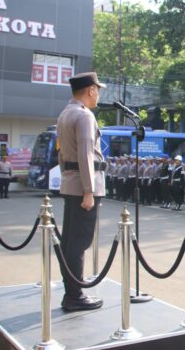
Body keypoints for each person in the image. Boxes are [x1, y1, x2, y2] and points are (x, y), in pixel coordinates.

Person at [56, 72, 106, 311]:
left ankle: (72, 289)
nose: (98, 94)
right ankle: (74, 296)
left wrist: (70, 180)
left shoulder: (65, 113)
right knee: (79, 242)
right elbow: (86, 154)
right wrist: (89, 190)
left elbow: (62, 154)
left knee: (69, 242)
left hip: (70, 182)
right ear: (90, 90)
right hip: (84, 186)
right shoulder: (84, 116)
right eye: (98, 89)